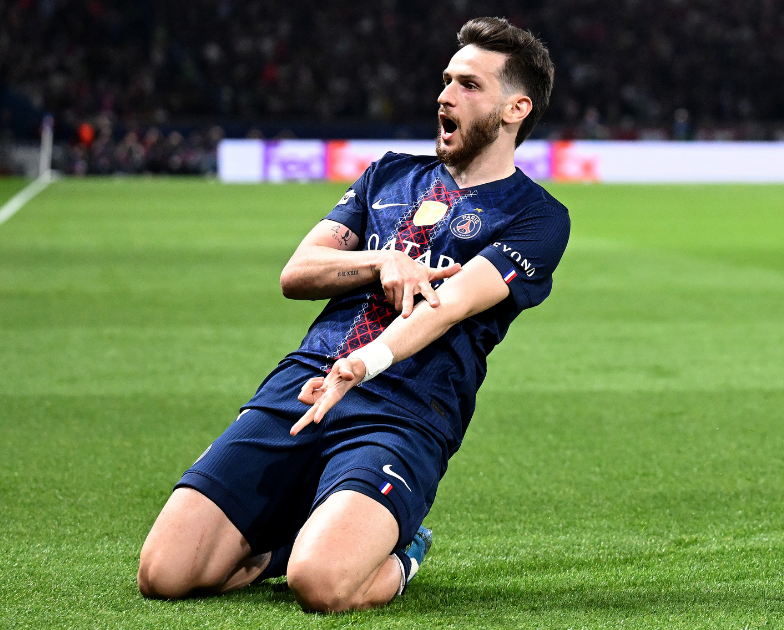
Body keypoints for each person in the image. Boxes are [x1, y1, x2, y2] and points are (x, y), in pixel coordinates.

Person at [138, 17, 570, 613]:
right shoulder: (388, 174)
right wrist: (382, 261)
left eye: (468, 85)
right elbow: (298, 273)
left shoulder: (537, 216)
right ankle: (293, 535)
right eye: (445, 80)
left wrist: (364, 364)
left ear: (515, 108)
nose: (444, 95)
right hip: (305, 378)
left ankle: (403, 547)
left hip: (407, 407)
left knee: (322, 586)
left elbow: (452, 304)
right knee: (165, 574)